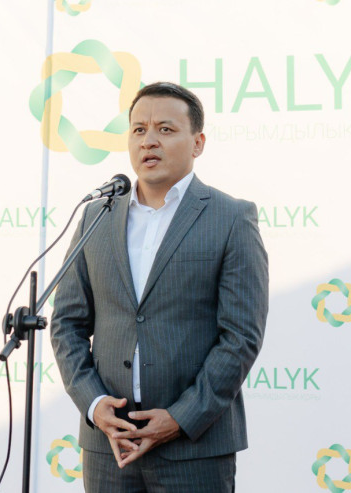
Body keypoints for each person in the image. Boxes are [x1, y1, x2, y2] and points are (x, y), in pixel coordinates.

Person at [50, 81, 269, 492]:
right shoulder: (96, 216)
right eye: (138, 129)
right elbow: (66, 323)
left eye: (165, 129)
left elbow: (241, 336)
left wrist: (181, 417)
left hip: (194, 449)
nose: (148, 140)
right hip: (109, 449)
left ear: (198, 142)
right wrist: (94, 405)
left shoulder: (231, 218)